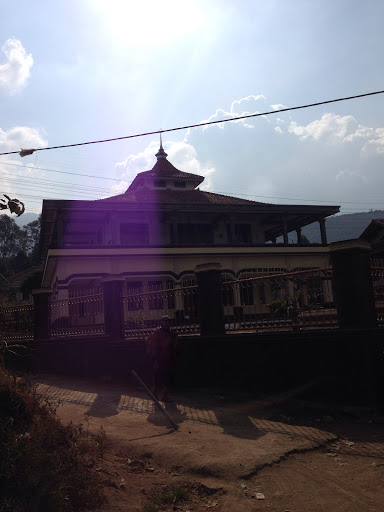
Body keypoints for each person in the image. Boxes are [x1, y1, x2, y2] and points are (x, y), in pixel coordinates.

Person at [146, 316, 178, 401]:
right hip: (159, 359)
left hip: (169, 358)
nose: (167, 324)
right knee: (157, 378)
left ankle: (165, 396)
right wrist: (155, 361)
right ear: (162, 323)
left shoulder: (171, 333)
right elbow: (155, 347)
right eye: (165, 322)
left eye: (168, 322)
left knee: (168, 378)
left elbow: (174, 346)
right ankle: (154, 395)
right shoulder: (158, 333)